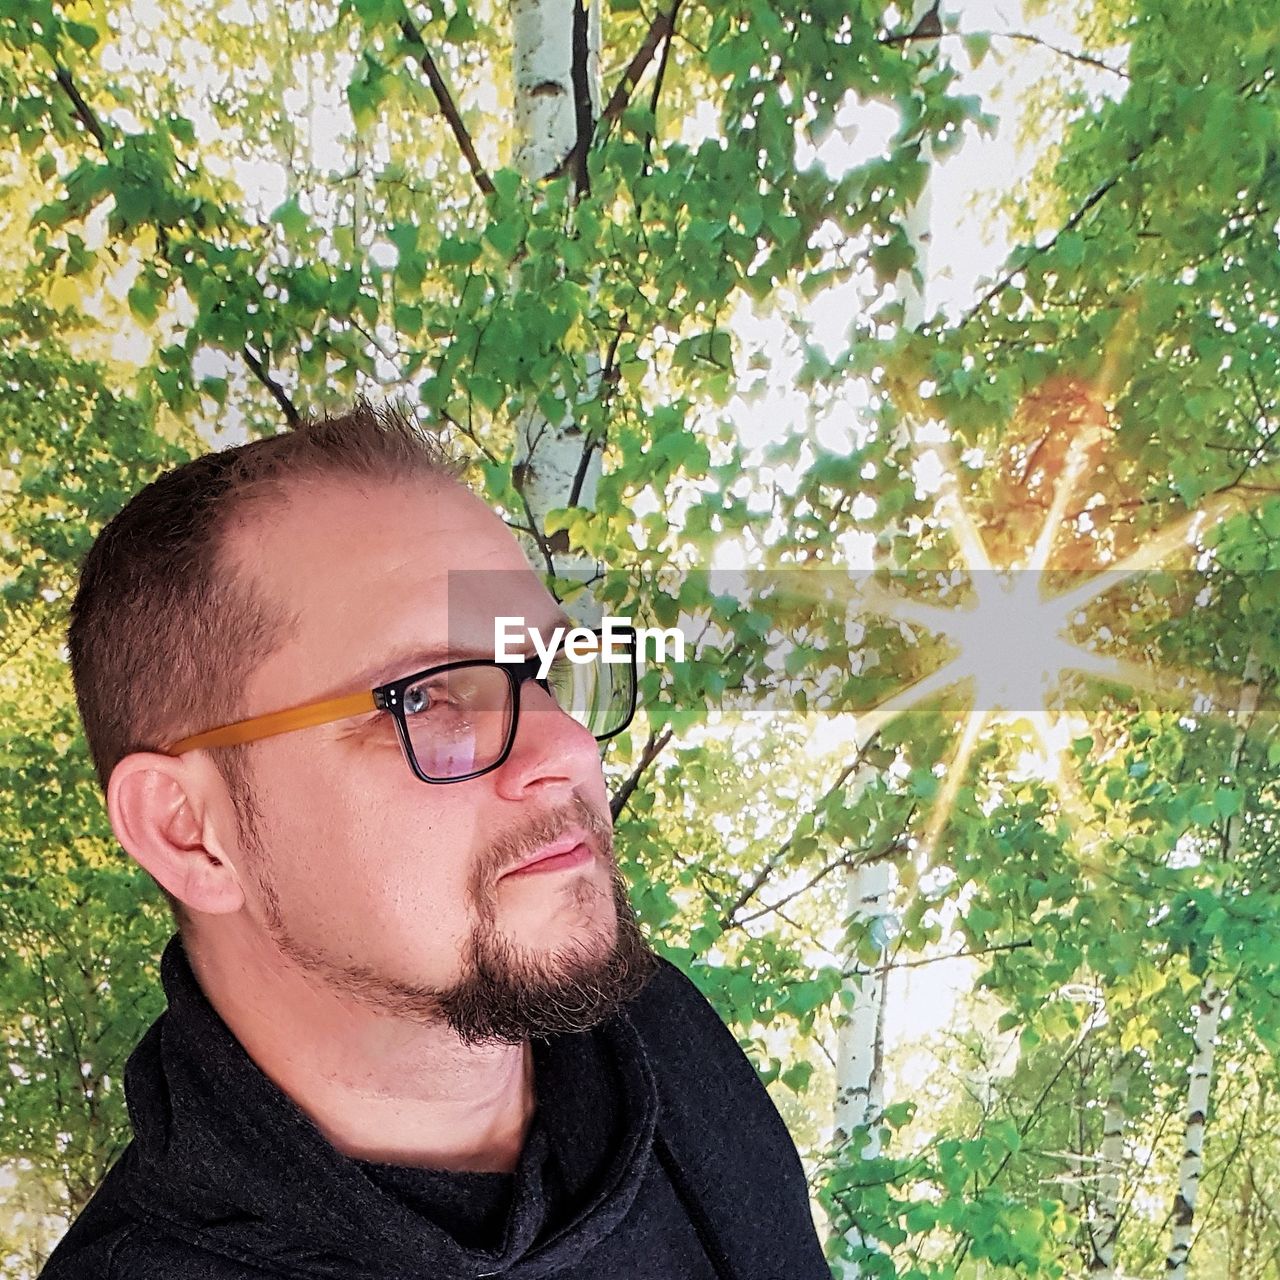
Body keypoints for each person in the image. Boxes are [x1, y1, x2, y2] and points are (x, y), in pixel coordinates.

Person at [40, 402, 832, 1279]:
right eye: (424, 697)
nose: (568, 748)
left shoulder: (653, 1028)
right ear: (187, 832)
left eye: (551, 669)